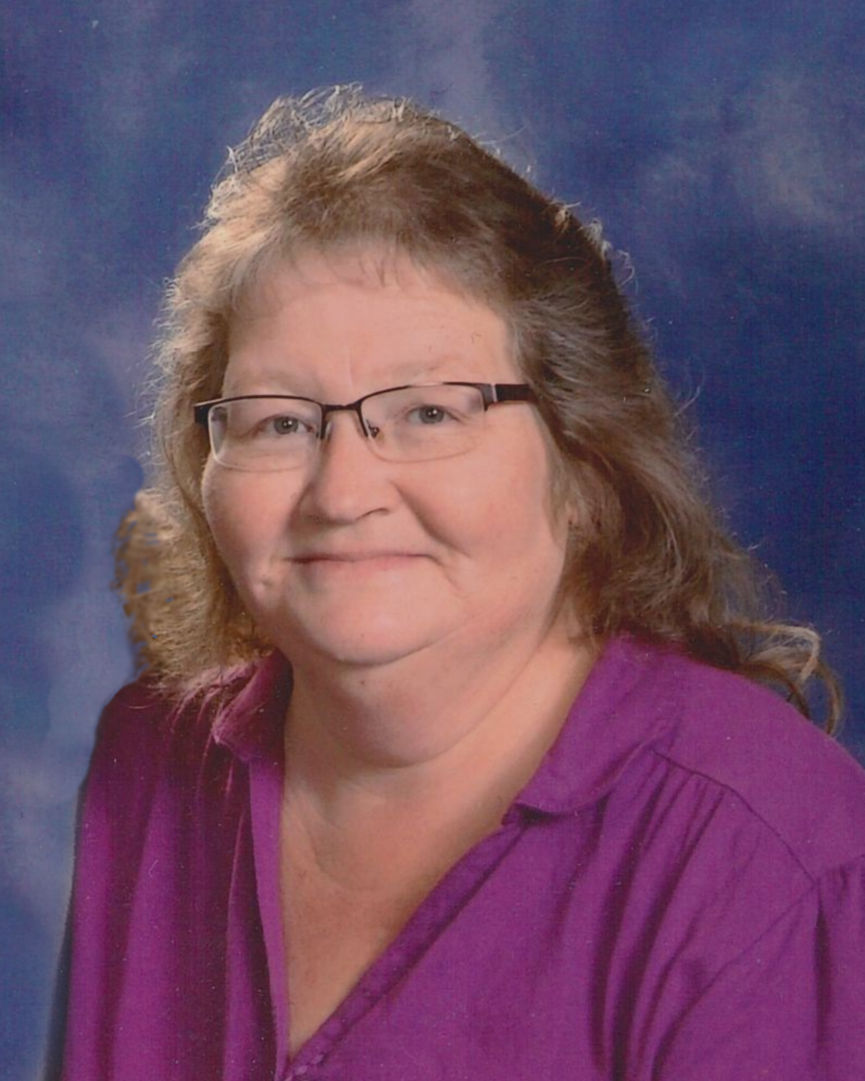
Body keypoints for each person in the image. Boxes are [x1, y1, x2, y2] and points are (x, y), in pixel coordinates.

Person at [49, 86, 865, 1080]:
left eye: (429, 413)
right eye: (279, 421)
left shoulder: (765, 851)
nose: (343, 493)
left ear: (584, 464)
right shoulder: (149, 766)